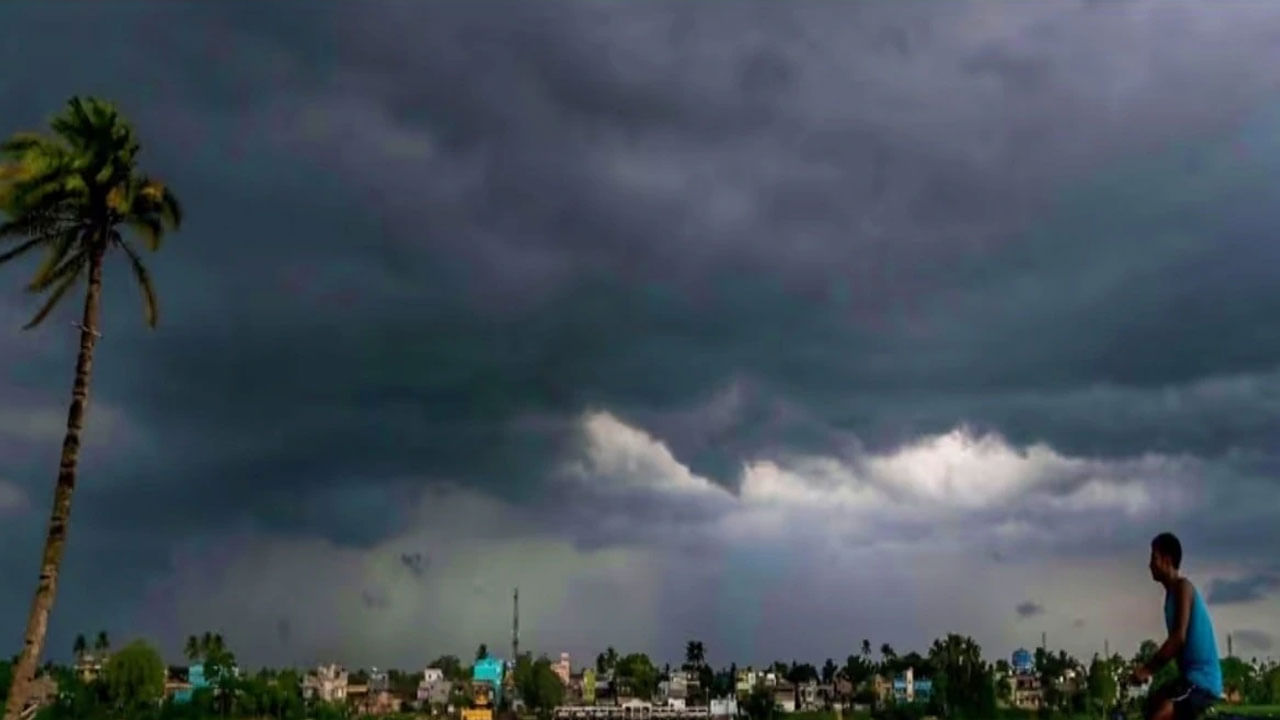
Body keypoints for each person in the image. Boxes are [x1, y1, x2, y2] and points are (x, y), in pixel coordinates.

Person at [1129, 532, 1223, 720]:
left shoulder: (1183, 588)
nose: (1150, 565)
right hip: (1188, 679)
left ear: (1167, 560)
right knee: (1152, 703)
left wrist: (1147, 669)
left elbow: (1178, 639)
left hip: (1202, 682)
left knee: (1160, 714)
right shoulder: (1170, 599)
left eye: (1153, 558)